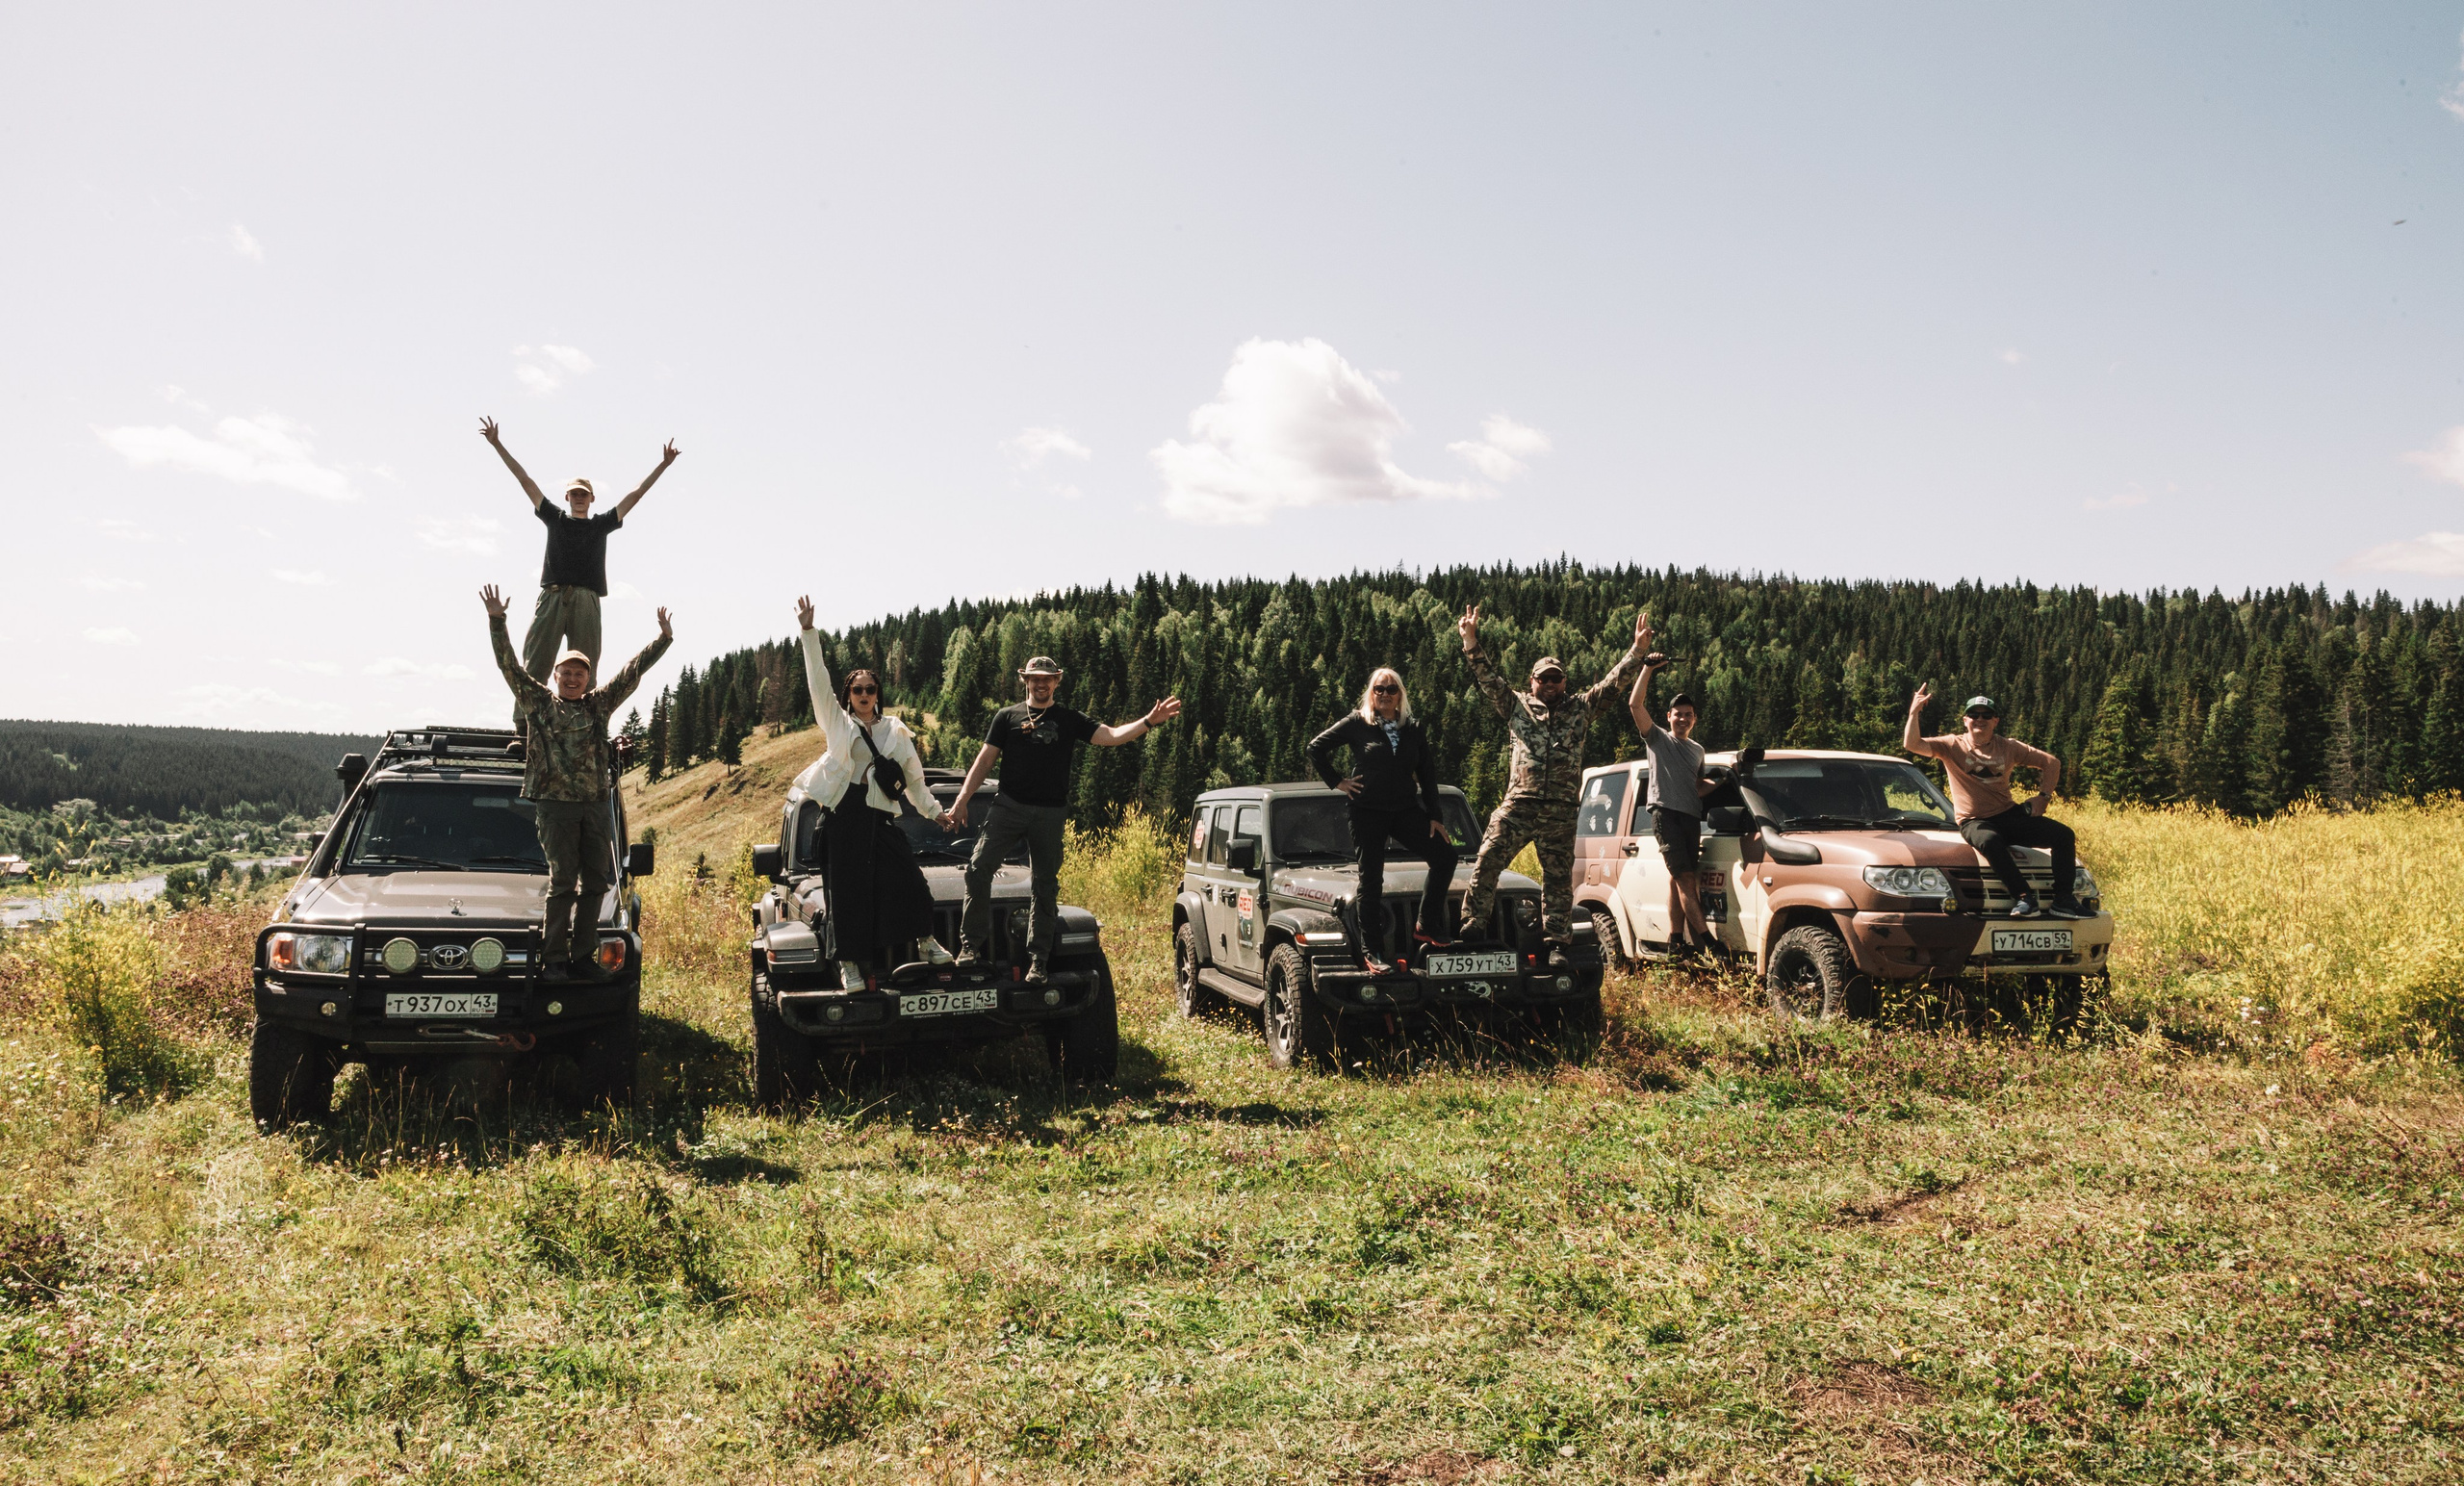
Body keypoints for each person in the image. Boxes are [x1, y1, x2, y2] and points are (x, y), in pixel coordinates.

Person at [944, 656, 1182, 983]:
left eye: (1047, 679)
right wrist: (961, 802)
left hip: (1050, 813)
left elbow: (1111, 736)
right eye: (1034, 678)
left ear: (1057, 681)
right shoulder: (1006, 717)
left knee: (1044, 885)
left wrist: (1148, 722)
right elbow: (984, 762)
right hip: (1008, 807)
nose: (1040, 684)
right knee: (978, 866)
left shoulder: (1069, 719)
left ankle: (1038, 960)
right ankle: (971, 947)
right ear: (1024, 680)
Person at [481, 583, 672, 982]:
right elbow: (509, 667)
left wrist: (663, 640)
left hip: (595, 805)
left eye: (579, 673)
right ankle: (553, 959)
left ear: (588, 678)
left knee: (597, 884)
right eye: (566, 673)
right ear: (555, 676)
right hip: (554, 806)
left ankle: (582, 956)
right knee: (563, 883)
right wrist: (497, 621)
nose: (572, 679)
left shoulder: (599, 705)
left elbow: (631, 673)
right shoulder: (538, 703)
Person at [1458, 604, 1653, 967]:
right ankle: (1473, 925)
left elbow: (1613, 684)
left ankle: (1557, 944)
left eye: (1555, 679)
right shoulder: (1516, 706)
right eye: (1543, 679)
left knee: (1558, 881)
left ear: (1565, 682)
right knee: (1487, 859)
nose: (1549, 685)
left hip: (1561, 811)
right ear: (1532, 681)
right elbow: (1487, 678)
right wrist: (1470, 640)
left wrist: (1637, 651)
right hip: (1520, 805)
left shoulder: (1580, 708)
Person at [793, 597, 951, 989]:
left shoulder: (895, 731)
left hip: (879, 817)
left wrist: (936, 812)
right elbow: (817, 682)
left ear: (878, 693)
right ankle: (850, 966)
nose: (864, 694)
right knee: (847, 895)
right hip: (843, 816)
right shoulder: (838, 724)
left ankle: (926, 940)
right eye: (857, 689)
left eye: (871, 689)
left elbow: (914, 781)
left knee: (911, 881)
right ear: (848, 695)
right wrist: (809, 633)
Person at [479, 416, 680, 684]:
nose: (579, 497)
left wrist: (663, 465)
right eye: (574, 493)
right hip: (552, 596)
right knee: (536, 663)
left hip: (586, 599)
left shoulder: (600, 525)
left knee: (584, 666)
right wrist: (497, 444)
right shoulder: (555, 518)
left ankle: (583, 724)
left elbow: (637, 494)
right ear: (567, 497)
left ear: (592, 498)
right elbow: (524, 480)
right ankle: (525, 724)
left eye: (584, 493)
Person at [1305, 667, 1456, 971]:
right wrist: (1337, 782)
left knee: (1445, 857)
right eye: (1379, 689)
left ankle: (1425, 924)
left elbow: (1427, 775)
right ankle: (1371, 951)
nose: (1385, 694)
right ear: (1371, 694)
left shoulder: (1413, 728)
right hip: (1367, 811)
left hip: (1404, 810)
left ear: (1400, 695)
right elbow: (1315, 748)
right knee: (1371, 879)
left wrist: (1434, 816)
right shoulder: (1356, 723)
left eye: (1391, 689)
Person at [1902, 685, 2084, 919]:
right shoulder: (1951, 745)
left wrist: (2043, 797)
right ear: (1965, 720)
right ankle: (2024, 898)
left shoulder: (2008, 747)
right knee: (1990, 840)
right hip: (1974, 821)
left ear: (1995, 720)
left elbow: (2052, 763)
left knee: (2063, 835)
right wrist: (1913, 713)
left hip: (2008, 814)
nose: (1980, 720)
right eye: (1974, 715)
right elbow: (1912, 744)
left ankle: (2064, 900)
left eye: (1986, 715)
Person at [1627, 616, 1716, 954]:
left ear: (1695, 718)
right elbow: (1635, 704)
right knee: (1687, 881)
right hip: (1665, 815)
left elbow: (1696, 786)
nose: (1682, 718)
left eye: (1688, 713)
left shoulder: (1697, 750)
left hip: (1690, 818)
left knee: (1677, 879)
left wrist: (1721, 786)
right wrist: (1648, 668)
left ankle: (1675, 939)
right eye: (1677, 713)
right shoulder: (1658, 740)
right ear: (1668, 717)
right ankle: (1708, 943)